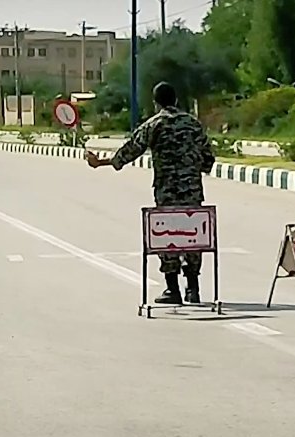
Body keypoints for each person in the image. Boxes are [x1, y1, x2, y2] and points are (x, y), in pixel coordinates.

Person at [87, 81, 215, 304]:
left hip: (167, 192)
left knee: (168, 237)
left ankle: (173, 289)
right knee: (193, 236)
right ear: (176, 100)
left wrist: (102, 163)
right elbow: (208, 158)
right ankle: (193, 288)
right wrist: (193, 169)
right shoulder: (193, 124)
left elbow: (131, 150)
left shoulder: (154, 124)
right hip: (192, 191)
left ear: (156, 103)